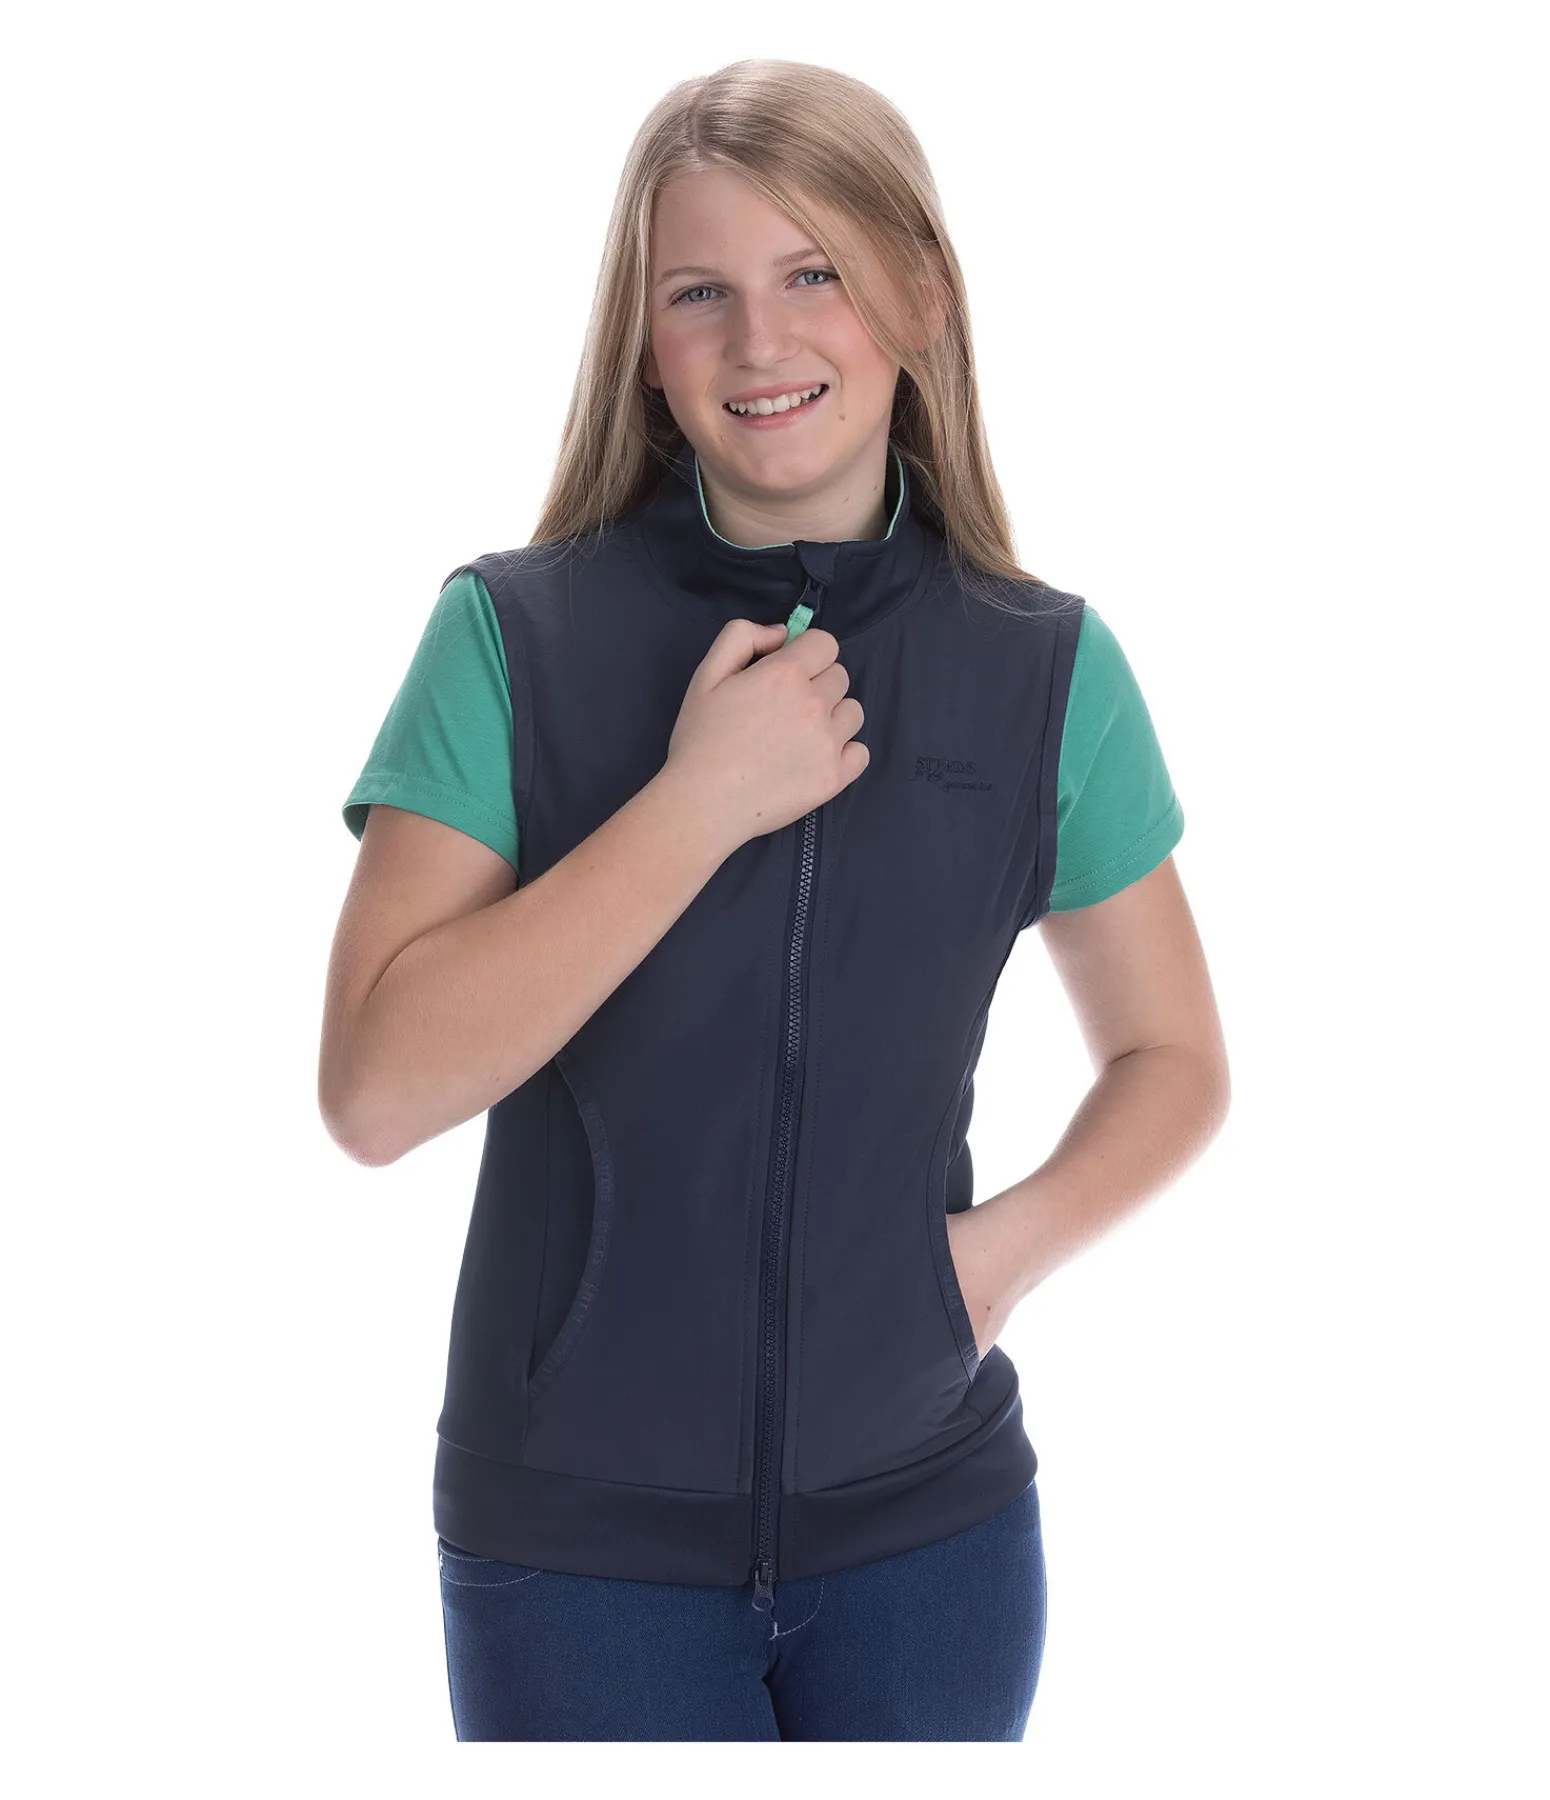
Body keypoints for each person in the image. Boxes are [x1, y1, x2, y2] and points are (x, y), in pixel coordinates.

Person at [319, 57, 1230, 1743]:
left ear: (921, 298)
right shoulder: (510, 638)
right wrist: (696, 805)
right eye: (699, 293)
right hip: (576, 1557)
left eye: (813, 272)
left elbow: (1171, 1058)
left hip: (934, 1544)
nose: (760, 341)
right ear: (643, 344)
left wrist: (988, 1268)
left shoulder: (1042, 669)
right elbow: (376, 1092)